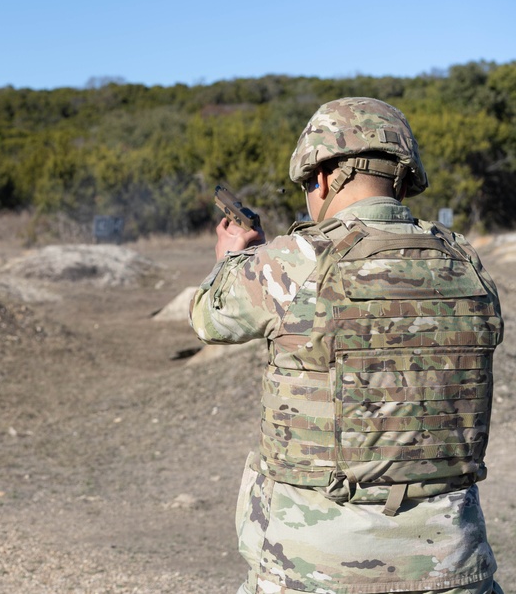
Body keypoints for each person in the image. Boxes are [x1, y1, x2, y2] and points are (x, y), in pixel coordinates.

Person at [189, 97, 505, 594]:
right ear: (402, 177)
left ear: (323, 176)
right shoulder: (464, 259)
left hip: (313, 571)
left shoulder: (291, 261)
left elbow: (209, 317)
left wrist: (233, 257)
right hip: (454, 565)